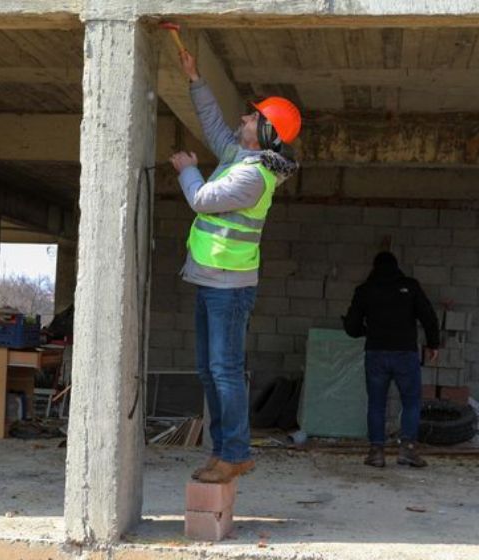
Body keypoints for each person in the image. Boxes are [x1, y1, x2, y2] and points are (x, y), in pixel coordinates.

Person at [169, 49, 301, 484]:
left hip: (229, 286)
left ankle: (236, 453)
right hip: (211, 280)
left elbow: (202, 199)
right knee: (210, 370)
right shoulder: (237, 156)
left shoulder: (253, 176)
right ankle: (223, 450)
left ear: (263, 132)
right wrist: (195, 78)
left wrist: (188, 170)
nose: (242, 121)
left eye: (250, 119)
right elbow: (212, 124)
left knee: (224, 372)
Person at [342, 251, 440, 468]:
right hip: (405, 353)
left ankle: (376, 452)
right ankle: (408, 450)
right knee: (411, 402)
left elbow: (351, 326)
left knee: (376, 404)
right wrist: (433, 344)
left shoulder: (365, 290)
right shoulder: (410, 286)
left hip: (376, 353)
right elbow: (428, 316)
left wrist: (365, 331)